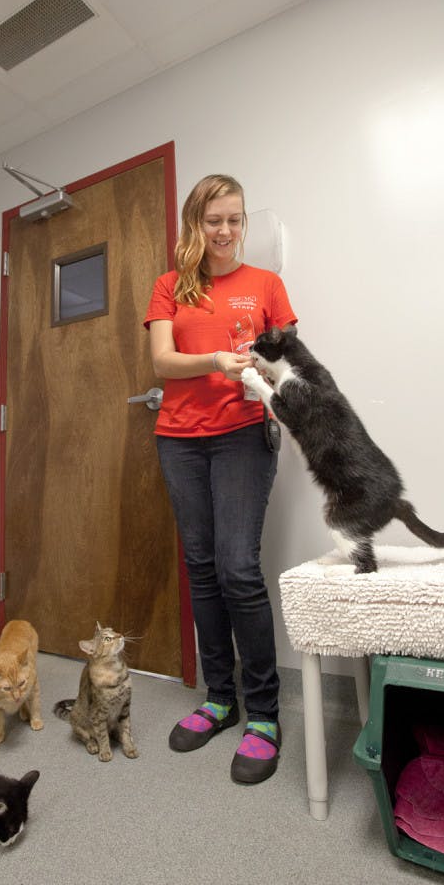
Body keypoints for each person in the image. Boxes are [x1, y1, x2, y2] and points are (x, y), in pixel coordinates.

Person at [144, 174, 297, 785]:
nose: (226, 231)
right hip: (179, 438)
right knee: (202, 567)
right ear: (195, 224)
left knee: (238, 567)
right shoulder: (169, 287)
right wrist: (213, 360)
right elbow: (160, 362)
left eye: (235, 219)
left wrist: (262, 361)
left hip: (242, 435)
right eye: (214, 220)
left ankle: (263, 713)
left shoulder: (265, 284)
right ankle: (219, 698)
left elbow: (290, 356)